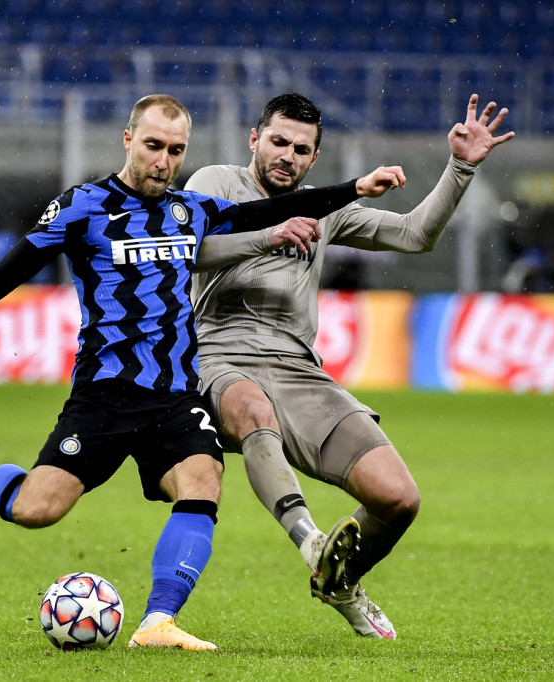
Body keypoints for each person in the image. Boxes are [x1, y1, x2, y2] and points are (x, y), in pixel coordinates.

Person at [0, 94, 405, 650]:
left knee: (203, 480)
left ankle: (158, 621)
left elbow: (272, 210)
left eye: (176, 151)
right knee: (37, 508)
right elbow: (4, 276)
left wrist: (354, 188)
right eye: (154, 146)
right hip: (106, 392)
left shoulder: (189, 211)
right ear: (128, 140)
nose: (163, 161)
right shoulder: (82, 207)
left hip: (175, 394)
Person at [185, 92, 514, 638]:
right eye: (278, 142)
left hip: (298, 368)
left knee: (398, 498)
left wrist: (460, 168)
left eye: (301, 149)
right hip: (220, 353)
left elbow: (415, 234)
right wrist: (268, 236)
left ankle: (340, 580)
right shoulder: (215, 183)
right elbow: (185, 249)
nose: (287, 155)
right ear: (254, 139)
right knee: (251, 408)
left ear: (314, 158)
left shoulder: (325, 206)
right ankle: (311, 541)